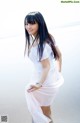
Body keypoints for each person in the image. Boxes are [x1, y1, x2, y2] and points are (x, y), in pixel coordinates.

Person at [24, 11, 64, 123]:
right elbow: (59, 56)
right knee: (45, 112)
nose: (28, 26)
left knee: (41, 114)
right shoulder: (48, 37)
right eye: (26, 24)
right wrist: (58, 73)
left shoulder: (38, 45)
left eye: (32, 23)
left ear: (40, 24)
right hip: (50, 79)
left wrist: (39, 84)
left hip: (43, 82)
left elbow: (46, 66)